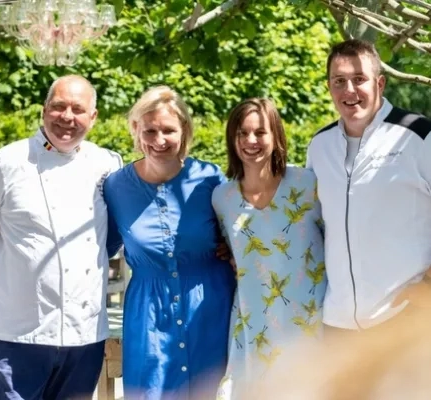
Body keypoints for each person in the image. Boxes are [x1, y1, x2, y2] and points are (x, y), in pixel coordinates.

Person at [0, 75, 122, 400]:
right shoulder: (7, 161)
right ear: (44, 111)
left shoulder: (107, 163)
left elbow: (113, 233)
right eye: (58, 107)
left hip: (84, 332)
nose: (67, 117)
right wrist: (6, 278)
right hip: (21, 331)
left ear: (93, 117)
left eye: (78, 109)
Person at [103, 86, 236, 399]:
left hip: (210, 310)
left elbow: (240, 231)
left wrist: (231, 247)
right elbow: (98, 247)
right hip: (149, 316)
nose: (159, 140)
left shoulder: (209, 178)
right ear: (136, 129)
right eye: (150, 130)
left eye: (168, 130)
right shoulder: (116, 186)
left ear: (184, 130)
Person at [306, 39, 431, 336]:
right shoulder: (319, 145)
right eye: (339, 81)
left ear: (380, 83)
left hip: (404, 319)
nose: (349, 90)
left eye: (359, 79)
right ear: (329, 87)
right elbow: (308, 221)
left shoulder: (418, 135)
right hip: (338, 324)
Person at [212, 98, 326, 399]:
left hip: (308, 323)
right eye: (242, 133)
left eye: (260, 132)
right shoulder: (222, 198)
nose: (251, 140)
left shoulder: (308, 184)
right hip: (253, 323)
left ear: (276, 136)